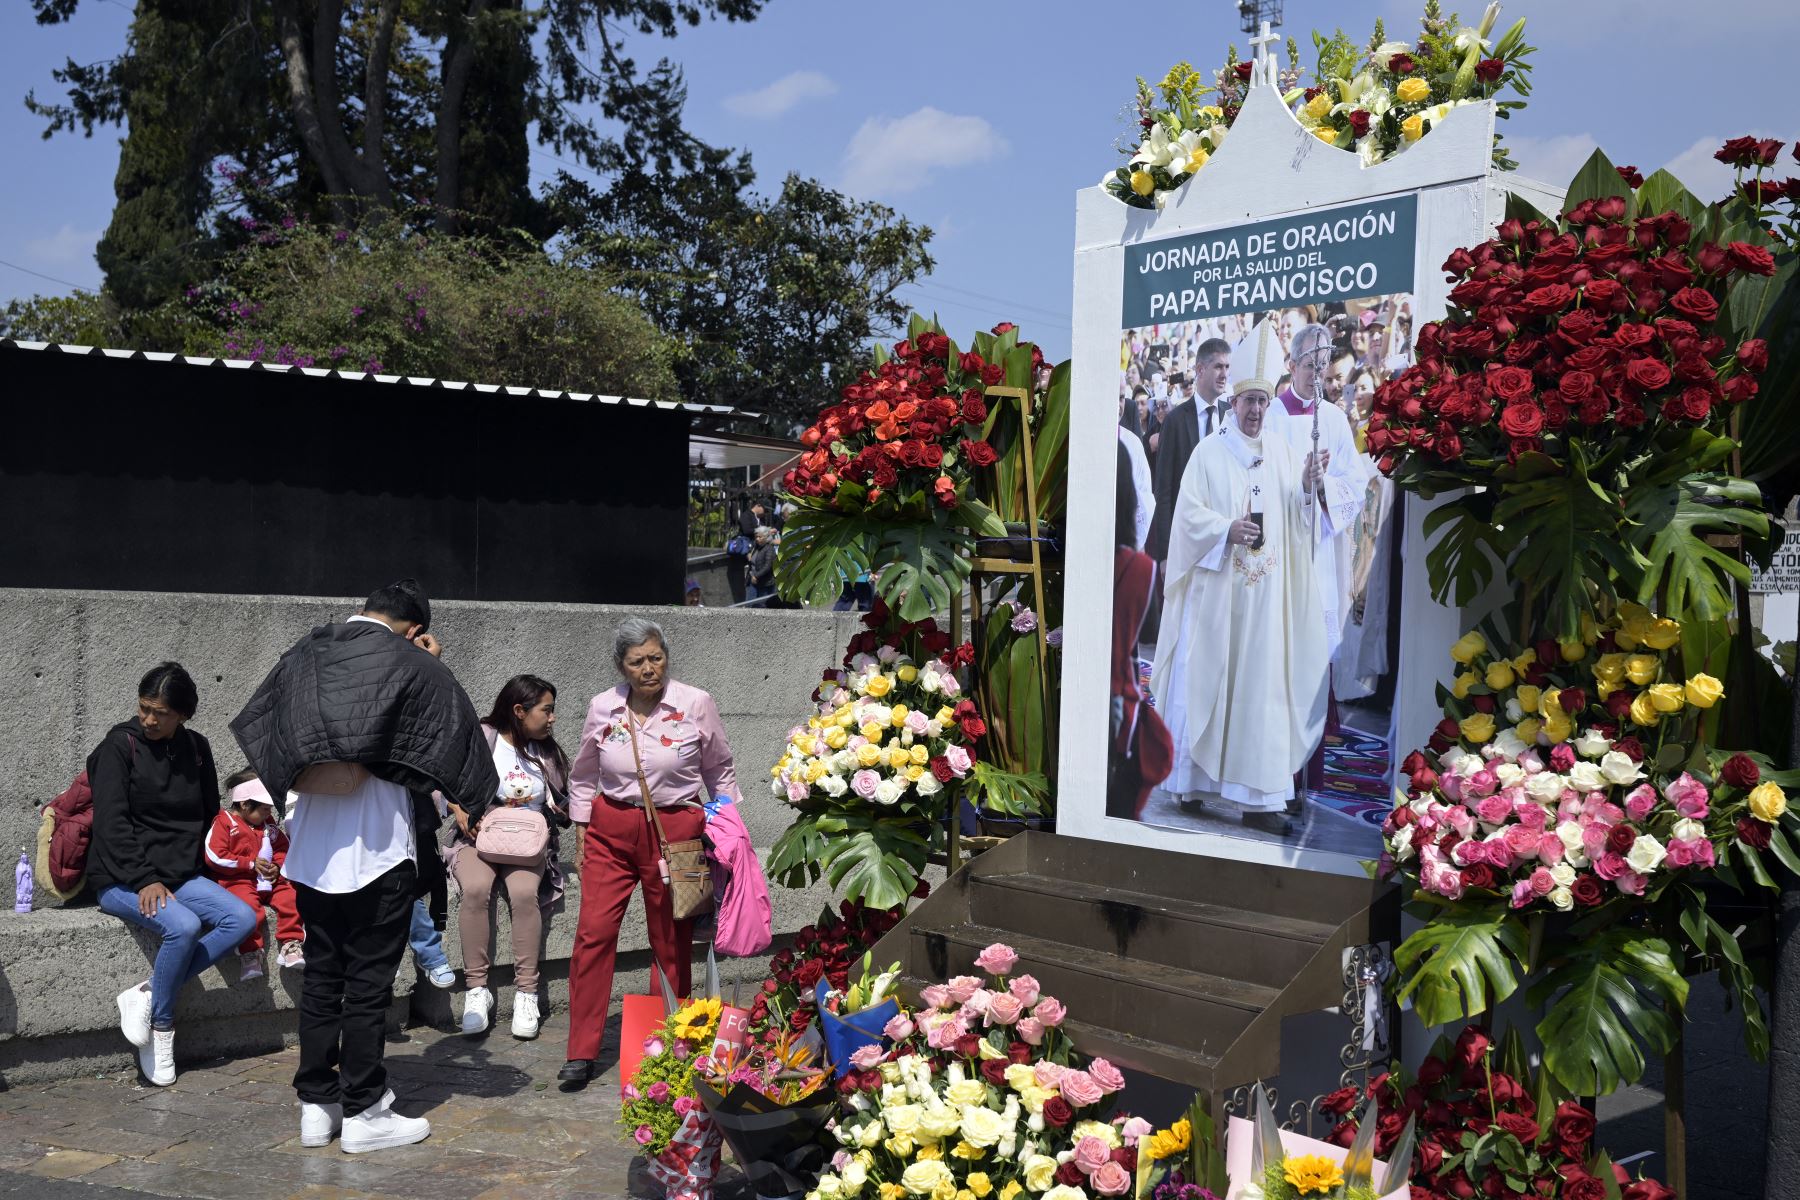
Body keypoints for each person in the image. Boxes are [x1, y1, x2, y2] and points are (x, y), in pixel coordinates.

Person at [232, 579, 497, 1154]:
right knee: (369, 983)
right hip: (378, 846)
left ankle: (316, 1104)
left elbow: (262, 725)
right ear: (414, 627)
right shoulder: (411, 660)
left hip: (313, 848)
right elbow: (457, 747)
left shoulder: (305, 654)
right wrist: (427, 666)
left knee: (324, 979)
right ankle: (365, 1110)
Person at [1152, 321, 1331, 836]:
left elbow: (1296, 520)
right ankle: (1193, 784)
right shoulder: (1208, 453)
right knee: (1207, 684)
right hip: (1218, 597)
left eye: (1261, 402)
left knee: (1259, 691)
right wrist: (1223, 529)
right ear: (1233, 403)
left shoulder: (1280, 451)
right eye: (1247, 401)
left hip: (1265, 600)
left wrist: (1304, 486)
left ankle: (1259, 799)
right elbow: (1187, 517)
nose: (1255, 410)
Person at [558, 618, 743, 1084]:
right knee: (594, 934)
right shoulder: (604, 706)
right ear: (621, 666)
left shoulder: (695, 702)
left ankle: (671, 1041)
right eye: (637, 661)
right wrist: (581, 824)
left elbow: (720, 768)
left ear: (667, 657)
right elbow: (583, 772)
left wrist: (726, 826)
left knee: (672, 939)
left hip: (677, 828)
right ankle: (580, 1051)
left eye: (655, 657)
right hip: (610, 829)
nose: (648, 669)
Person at [91, 663, 256, 1088]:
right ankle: (162, 1031)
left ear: (183, 714)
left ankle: (147, 993)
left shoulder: (197, 748)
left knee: (240, 918)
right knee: (182, 926)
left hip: (181, 875)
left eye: (160, 712)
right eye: (144, 708)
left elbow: (205, 816)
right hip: (122, 878)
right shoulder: (118, 746)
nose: (149, 719)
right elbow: (111, 823)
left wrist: (205, 873)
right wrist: (144, 877)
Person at [450, 675, 570, 1040]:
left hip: (528, 843)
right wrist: (460, 812)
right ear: (519, 711)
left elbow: (566, 801)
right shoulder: (484, 737)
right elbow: (448, 780)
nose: (552, 719)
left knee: (523, 894)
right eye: (546, 710)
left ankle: (526, 993)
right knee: (474, 888)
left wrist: (560, 812)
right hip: (478, 838)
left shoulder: (546, 750)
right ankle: (476, 991)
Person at [1268, 321, 1370, 664]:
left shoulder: (1335, 419)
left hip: (1321, 549)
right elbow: (1257, 481)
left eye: (1322, 365)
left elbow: (1355, 485)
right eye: (1310, 365)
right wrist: (1302, 482)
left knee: (1315, 649)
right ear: (1292, 365)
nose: (1317, 374)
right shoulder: (1271, 416)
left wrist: (1323, 484)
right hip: (1280, 546)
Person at [205, 769, 305, 979]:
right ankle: (250, 953)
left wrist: (277, 867)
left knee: (290, 897)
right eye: (264, 808)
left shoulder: (268, 825)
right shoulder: (224, 823)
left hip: (269, 879)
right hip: (238, 880)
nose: (269, 813)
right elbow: (215, 856)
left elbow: (282, 848)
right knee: (248, 909)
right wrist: (249, 864)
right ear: (244, 804)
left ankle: (291, 944)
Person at [1145, 337, 1231, 565]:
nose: (1224, 374)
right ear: (1200, 369)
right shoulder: (1174, 421)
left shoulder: (1232, 417)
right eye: (1218, 367)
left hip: (1225, 541)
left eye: (1227, 367)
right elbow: (1163, 490)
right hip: (1186, 541)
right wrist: (1164, 555)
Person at [747, 527, 777, 605]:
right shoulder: (756, 547)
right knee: (749, 604)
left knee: (762, 606)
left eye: (760, 537)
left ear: (766, 537)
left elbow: (768, 566)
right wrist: (749, 555)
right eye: (756, 537)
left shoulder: (769, 549)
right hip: (753, 581)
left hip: (764, 582)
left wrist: (756, 576)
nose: (757, 539)